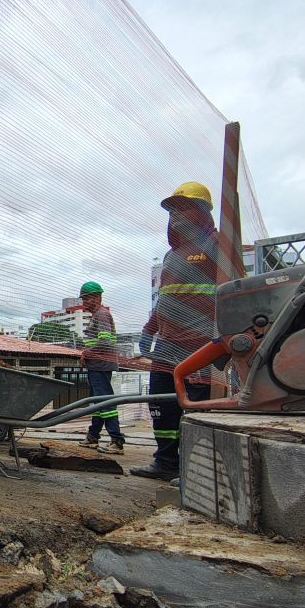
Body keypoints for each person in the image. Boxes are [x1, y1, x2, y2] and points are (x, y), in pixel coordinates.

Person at [130, 181, 231, 481]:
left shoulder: (218, 245)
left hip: (201, 345)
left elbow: (235, 290)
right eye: (171, 211)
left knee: (196, 408)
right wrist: (149, 329)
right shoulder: (170, 257)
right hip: (166, 347)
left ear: (202, 212)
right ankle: (165, 463)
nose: (175, 216)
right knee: (161, 405)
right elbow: (165, 299)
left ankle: (195, 468)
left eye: (183, 208)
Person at [77, 281, 125, 455]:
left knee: (105, 401)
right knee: (97, 401)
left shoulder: (102, 315)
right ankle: (93, 436)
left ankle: (116, 440)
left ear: (97, 297)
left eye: (86, 299)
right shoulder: (97, 316)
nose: (83, 303)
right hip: (97, 364)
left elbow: (104, 342)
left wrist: (86, 353)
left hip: (100, 364)